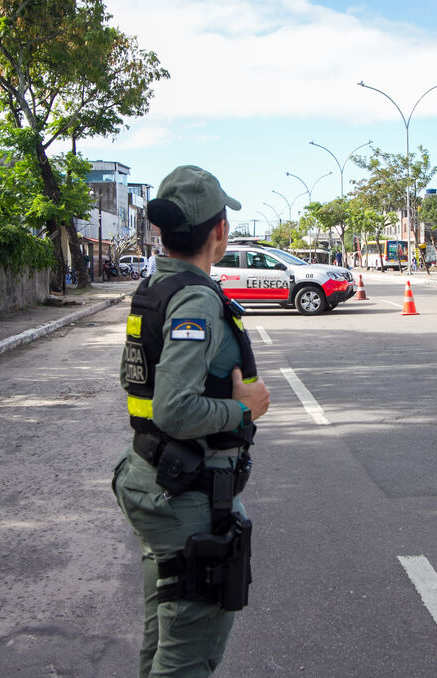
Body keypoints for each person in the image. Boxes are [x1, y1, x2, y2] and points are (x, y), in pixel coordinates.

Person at [113, 165, 270, 678]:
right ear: (219, 230)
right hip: (186, 496)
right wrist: (244, 408)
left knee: (163, 642)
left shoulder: (157, 285)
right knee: (188, 658)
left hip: (154, 476)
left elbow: (135, 378)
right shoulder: (196, 298)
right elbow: (173, 408)